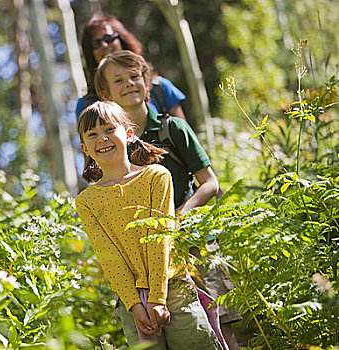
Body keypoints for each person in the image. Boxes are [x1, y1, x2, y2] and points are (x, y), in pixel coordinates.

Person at [93, 50, 241, 349]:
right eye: (118, 80)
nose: (129, 84)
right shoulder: (109, 146)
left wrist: (178, 217)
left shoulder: (173, 128)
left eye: (135, 76)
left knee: (222, 324)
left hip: (194, 242)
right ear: (105, 94)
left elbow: (210, 183)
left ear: (147, 82)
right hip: (149, 258)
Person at [75, 100, 223, 349]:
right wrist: (134, 304)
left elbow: (161, 237)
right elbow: (109, 257)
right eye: (93, 134)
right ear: (84, 148)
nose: (102, 138)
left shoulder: (156, 176)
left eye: (109, 129)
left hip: (173, 289)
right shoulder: (86, 201)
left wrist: (157, 297)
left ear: (129, 133)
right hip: (130, 302)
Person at [75, 15, 187, 122]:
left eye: (109, 38)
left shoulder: (159, 88)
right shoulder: (86, 105)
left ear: (122, 40)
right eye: (96, 43)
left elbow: (183, 135)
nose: (104, 45)